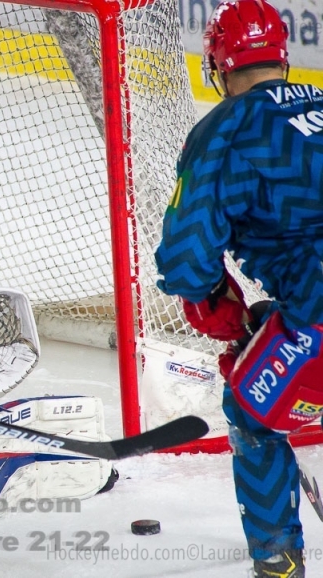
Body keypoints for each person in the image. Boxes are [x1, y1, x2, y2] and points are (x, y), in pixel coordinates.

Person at [155, 0, 323, 576]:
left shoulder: (224, 129)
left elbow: (184, 258)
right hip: (310, 300)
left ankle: (277, 558)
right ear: (283, 55)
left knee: (252, 409)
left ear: (218, 65)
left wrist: (224, 316)